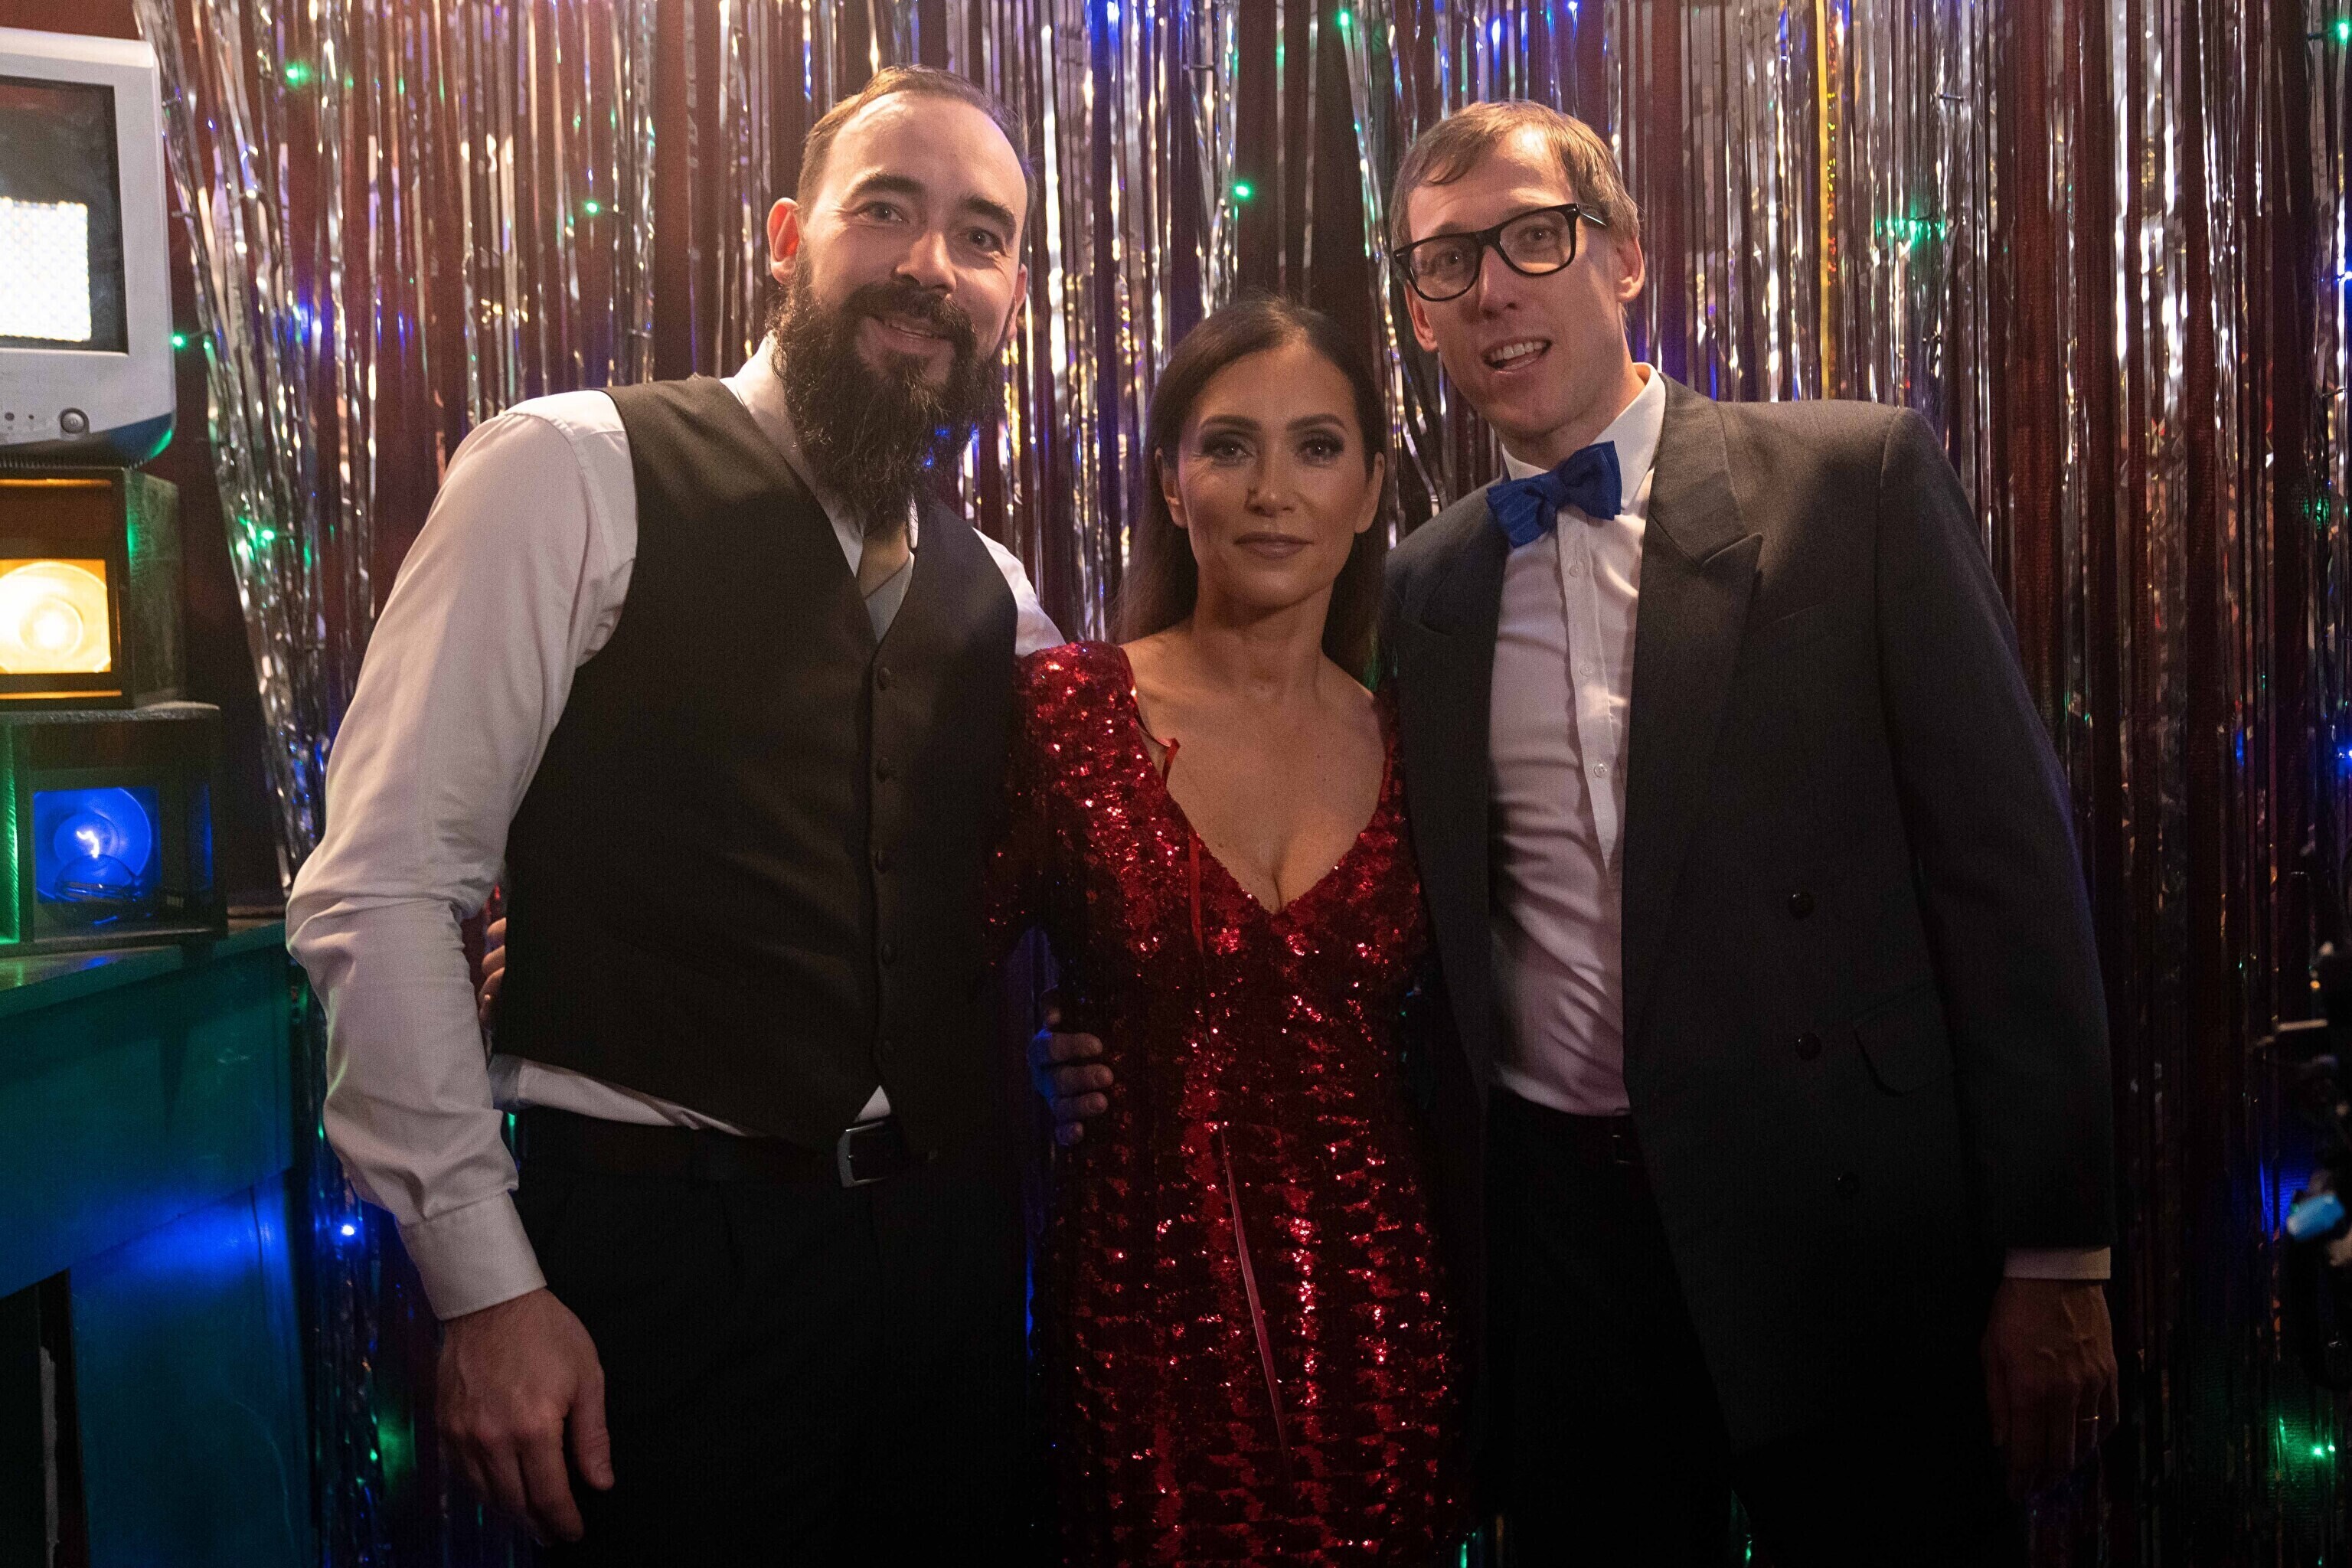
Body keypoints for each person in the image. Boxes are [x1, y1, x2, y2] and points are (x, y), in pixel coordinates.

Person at [1044, 101, 2119, 1567]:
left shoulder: (1850, 480)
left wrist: (2056, 1251)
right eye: (1446, 262)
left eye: (1532, 239)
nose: (1491, 287)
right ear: (1421, 318)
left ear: (1624, 257)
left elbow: (2011, 879)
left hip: (1842, 1228)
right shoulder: (1422, 587)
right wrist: (1075, 1039)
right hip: (1561, 1252)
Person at [287, 67, 1072, 1560]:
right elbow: (381, 888)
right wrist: (488, 1288)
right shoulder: (569, 471)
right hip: (661, 1272)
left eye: (981, 236)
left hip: (948, 1276)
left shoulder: (1000, 596)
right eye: (886, 210)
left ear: (1011, 295)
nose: (931, 264)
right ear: (786, 239)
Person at [993, 296, 1468, 1563]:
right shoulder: (1063, 711)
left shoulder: (1425, 745)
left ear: (1370, 491)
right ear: (1172, 481)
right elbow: (912, 974)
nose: (1271, 491)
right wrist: (1032, 1063)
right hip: (1137, 1334)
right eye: (1229, 446)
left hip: (1386, 1330)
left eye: (1317, 447)